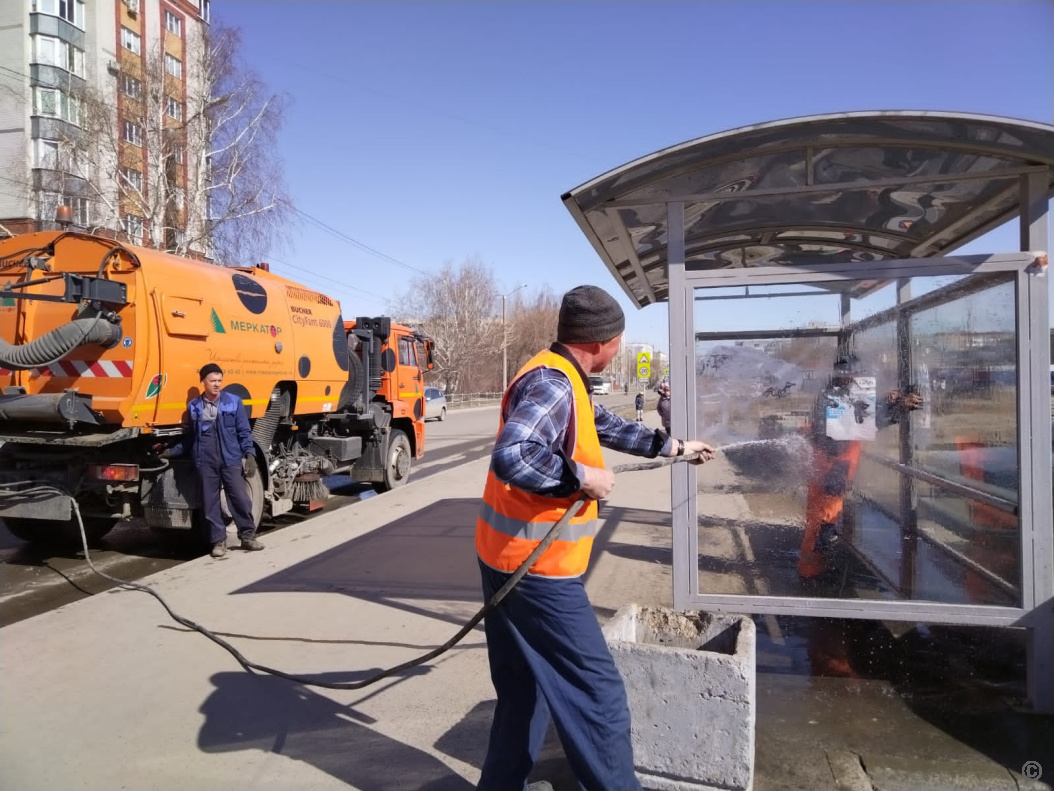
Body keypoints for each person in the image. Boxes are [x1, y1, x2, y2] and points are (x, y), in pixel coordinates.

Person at [475, 285, 716, 791]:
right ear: (602, 342)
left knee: (525, 690)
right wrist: (581, 479)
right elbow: (514, 455)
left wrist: (672, 447)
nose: (622, 349)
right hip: (537, 574)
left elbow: (602, 423)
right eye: (620, 341)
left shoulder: (561, 374)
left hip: (505, 559)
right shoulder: (554, 383)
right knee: (598, 698)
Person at [798, 355, 921, 581]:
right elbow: (857, 425)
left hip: (833, 468)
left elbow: (860, 413)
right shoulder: (830, 398)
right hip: (831, 470)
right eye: (855, 374)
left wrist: (888, 402)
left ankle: (814, 570)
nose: (859, 379)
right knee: (822, 525)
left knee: (824, 521)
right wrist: (898, 409)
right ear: (845, 377)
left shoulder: (838, 394)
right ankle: (811, 577)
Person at [167, 364, 264, 558]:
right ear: (203, 382)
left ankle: (248, 537)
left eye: (219, 380)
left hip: (230, 459)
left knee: (240, 498)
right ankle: (219, 542)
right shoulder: (194, 406)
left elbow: (244, 431)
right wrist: (171, 451)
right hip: (205, 461)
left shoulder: (234, 402)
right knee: (210, 503)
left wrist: (250, 454)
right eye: (212, 381)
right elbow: (192, 438)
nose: (217, 384)